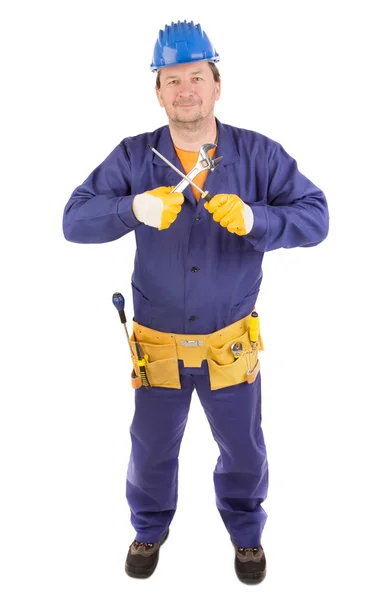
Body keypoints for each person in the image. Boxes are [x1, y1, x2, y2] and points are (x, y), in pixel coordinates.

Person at [63, 20, 329, 585]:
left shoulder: (259, 155)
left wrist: (258, 218)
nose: (186, 90)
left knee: (243, 452)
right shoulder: (134, 158)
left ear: (216, 83)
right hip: (156, 349)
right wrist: (130, 210)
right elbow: (74, 220)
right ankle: (149, 527)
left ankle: (247, 537)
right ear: (158, 91)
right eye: (173, 79)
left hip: (230, 348)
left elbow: (316, 217)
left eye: (197, 77)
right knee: (152, 449)